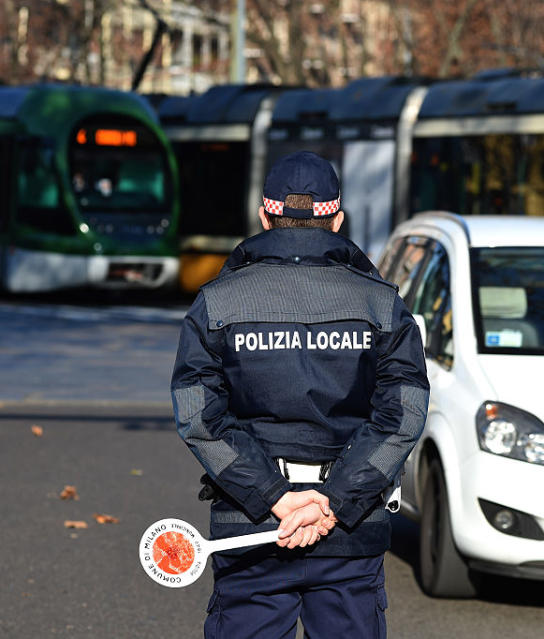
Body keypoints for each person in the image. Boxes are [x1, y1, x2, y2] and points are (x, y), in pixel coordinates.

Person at [170, 151, 429, 639]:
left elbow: (198, 414)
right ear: (337, 220)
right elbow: (404, 415)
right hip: (349, 530)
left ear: (265, 217)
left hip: (251, 526)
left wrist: (275, 497)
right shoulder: (381, 303)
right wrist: (332, 502)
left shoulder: (218, 301)